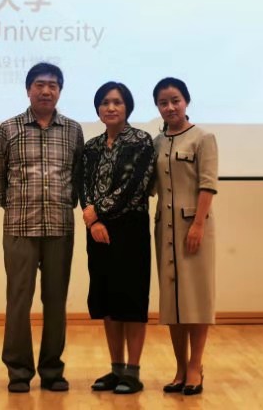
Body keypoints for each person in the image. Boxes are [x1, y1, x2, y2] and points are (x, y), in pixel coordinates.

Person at [0, 62, 84, 393]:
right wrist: (16, 205)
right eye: (40, 85)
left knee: (56, 301)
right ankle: (18, 371)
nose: (46, 91)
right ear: (28, 89)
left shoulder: (73, 130)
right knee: (18, 300)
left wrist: (64, 202)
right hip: (20, 226)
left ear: (60, 91)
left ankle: (52, 370)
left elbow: (77, 177)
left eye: (53, 85)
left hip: (60, 226)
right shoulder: (8, 129)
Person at [81, 81, 155, 394]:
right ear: (98, 108)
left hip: (130, 229)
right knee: (108, 300)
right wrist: (92, 220)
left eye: (117, 102)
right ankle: (116, 368)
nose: (110, 107)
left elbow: (134, 186)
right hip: (97, 232)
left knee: (131, 300)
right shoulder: (91, 146)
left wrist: (97, 212)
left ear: (128, 107)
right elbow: (83, 185)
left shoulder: (141, 141)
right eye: (105, 102)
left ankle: (133, 372)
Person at [151, 77, 218, 396]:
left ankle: (195, 365)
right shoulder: (156, 142)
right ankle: (179, 367)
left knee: (196, 298)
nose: (170, 107)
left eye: (175, 100)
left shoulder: (203, 138)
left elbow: (208, 184)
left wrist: (198, 225)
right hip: (164, 229)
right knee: (173, 301)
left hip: (194, 228)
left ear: (186, 101)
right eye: (163, 103)